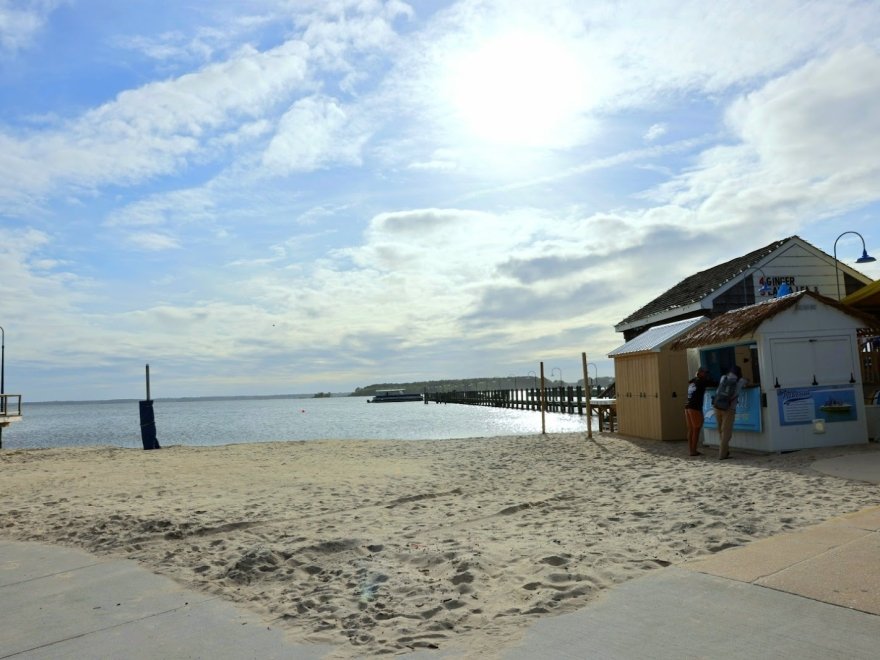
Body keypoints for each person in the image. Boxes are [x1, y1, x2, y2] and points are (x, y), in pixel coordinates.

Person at [714, 365, 746, 460]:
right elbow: (746, 382)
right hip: (729, 409)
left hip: (717, 406)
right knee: (726, 433)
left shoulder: (723, 378)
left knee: (721, 430)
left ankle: (725, 451)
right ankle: (722, 455)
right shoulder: (740, 381)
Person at [684, 367, 713, 456]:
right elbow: (715, 383)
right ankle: (693, 451)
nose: (707, 374)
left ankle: (691, 450)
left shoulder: (693, 381)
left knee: (691, 430)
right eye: (705, 373)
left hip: (688, 406)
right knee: (696, 429)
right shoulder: (701, 382)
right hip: (695, 407)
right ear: (700, 373)